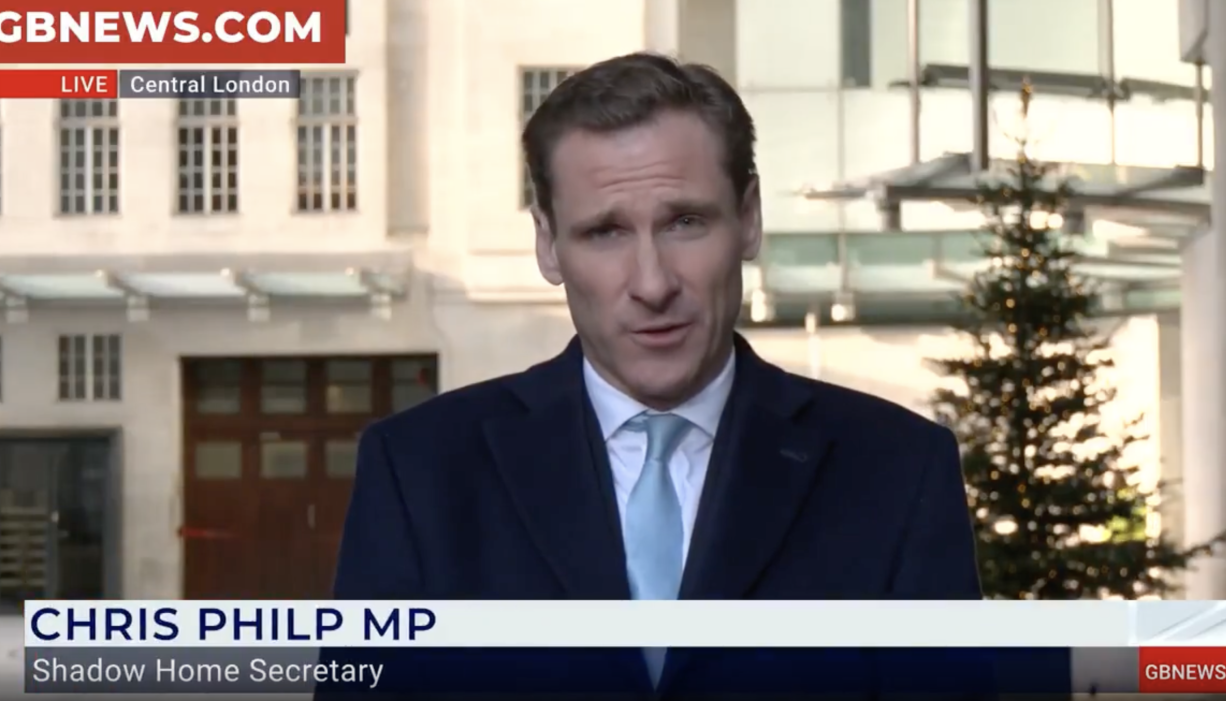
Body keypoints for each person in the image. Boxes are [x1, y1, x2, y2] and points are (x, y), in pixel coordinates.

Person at [320, 52, 989, 699]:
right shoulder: (420, 471)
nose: (652, 283)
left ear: (749, 219)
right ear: (547, 243)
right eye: (605, 232)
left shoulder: (899, 470)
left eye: (685, 222)